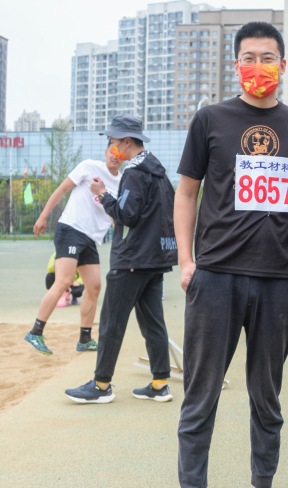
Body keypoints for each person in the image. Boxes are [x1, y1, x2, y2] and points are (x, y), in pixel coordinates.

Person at [172, 21, 288, 488]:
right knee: (201, 395)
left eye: (268, 57)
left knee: (267, 395)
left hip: (276, 280)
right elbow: (186, 193)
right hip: (215, 277)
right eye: (249, 57)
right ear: (236, 64)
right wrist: (187, 260)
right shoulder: (210, 119)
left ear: (284, 64)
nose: (259, 66)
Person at [63, 115, 178, 405]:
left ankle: (101, 385)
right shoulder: (160, 174)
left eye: (113, 141)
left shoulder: (135, 173)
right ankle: (160, 383)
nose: (111, 146)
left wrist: (103, 195)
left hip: (132, 258)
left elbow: (126, 215)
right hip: (155, 258)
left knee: (112, 322)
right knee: (153, 322)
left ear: (127, 142)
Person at [24, 143, 123, 355]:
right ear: (106, 152)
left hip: (90, 237)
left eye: (120, 153)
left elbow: (114, 215)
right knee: (64, 280)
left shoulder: (122, 182)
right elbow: (62, 190)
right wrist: (43, 216)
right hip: (70, 228)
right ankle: (35, 331)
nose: (116, 156)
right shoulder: (89, 166)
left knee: (94, 287)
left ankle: (85, 339)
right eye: (112, 151)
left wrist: (122, 240)